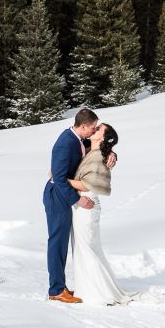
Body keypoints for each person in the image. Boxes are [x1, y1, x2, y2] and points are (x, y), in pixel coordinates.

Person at [43, 108, 115, 304]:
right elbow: (58, 179)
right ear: (83, 126)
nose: (94, 130)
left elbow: (96, 147)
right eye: (93, 128)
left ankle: (61, 286)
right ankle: (56, 290)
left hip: (65, 194)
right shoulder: (64, 143)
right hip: (57, 196)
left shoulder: (80, 139)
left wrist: (112, 153)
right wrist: (76, 200)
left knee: (64, 241)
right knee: (58, 242)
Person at [67, 123, 131, 305]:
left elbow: (88, 184)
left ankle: (95, 291)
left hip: (86, 204)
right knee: (86, 248)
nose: (94, 129)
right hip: (82, 205)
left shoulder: (98, 156)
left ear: (102, 138)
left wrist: (62, 179)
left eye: (98, 129)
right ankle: (90, 287)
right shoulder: (88, 149)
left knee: (87, 248)